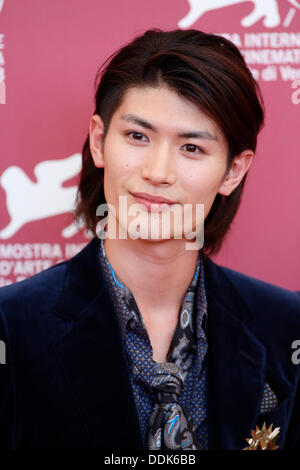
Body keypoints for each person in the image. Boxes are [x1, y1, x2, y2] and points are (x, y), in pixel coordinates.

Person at [0, 29, 300, 451]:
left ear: (233, 170)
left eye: (192, 148)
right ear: (100, 140)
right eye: (138, 137)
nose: (158, 172)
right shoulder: (11, 326)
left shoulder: (286, 326)